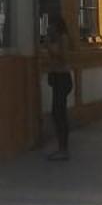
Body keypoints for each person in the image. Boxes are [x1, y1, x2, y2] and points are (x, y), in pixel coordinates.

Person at [45, 14, 73, 160]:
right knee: (56, 113)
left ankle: (64, 148)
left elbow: (63, 57)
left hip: (63, 77)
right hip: (56, 77)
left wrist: (50, 46)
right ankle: (60, 146)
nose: (50, 27)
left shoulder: (63, 38)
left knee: (59, 112)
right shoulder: (55, 39)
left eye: (52, 25)